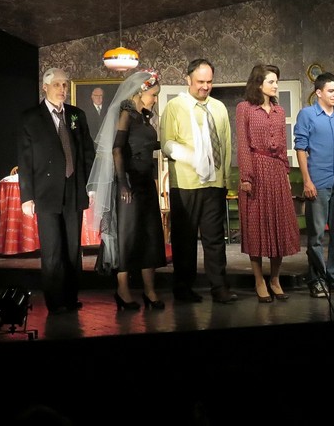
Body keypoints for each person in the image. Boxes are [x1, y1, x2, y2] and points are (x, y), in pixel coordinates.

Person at [86, 69, 167, 311]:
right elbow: (117, 149)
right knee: (128, 236)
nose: (155, 99)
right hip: (129, 184)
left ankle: (150, 290)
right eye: (153, 95)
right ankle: (123, 290)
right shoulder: (126, 114)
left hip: (145, 182)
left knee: (150, 235)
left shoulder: (144, 117)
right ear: (140, 92)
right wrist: (123, 182)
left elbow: (145, 144)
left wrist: (169, 146)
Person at [17, 67, 95, 315]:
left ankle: (71, 298)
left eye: (64, 85)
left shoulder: (76, 115)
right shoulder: (31, 118)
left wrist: (90, 184)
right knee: (52, 250)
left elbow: (87, 152)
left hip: (73, 188)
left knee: (72, 249)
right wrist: (27, 197)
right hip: (46, 191)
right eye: (57, 85)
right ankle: (55, 300)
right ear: (45, 87)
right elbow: (25, 160)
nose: (62, 89)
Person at [159, 58, 237, 304]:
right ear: (188, 80)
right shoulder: (175, 106)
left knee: (215, 239)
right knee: (185, 239)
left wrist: (225, 179)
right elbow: (167, 143)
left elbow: (225, 144)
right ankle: (183, 288)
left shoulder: (219, 107)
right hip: (186, 183)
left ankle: (219, 288)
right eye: (200, 81)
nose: (205, 86)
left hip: (214, 182)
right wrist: (191, 157)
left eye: (209, 82)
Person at [236, 64, 301, 302]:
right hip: (256, 169)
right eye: (271, 81)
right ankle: (259, 281)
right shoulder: (245, 108)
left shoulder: (279, 110)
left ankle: (275, 279)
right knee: (256, 227)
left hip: (276, 172)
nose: (276, 86)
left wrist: (285, 172)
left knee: (279, 225)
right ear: (258, 84)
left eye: (276, 81)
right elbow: (243, 144)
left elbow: (283, 145)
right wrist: (246, 176)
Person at [294, 72, 334, 297]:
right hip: (318, 182)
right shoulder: (308, 115)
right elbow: (300, 148)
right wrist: (307, 180)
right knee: (316, 236)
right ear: (319, 92)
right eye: (330, 90)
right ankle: (317, 279)